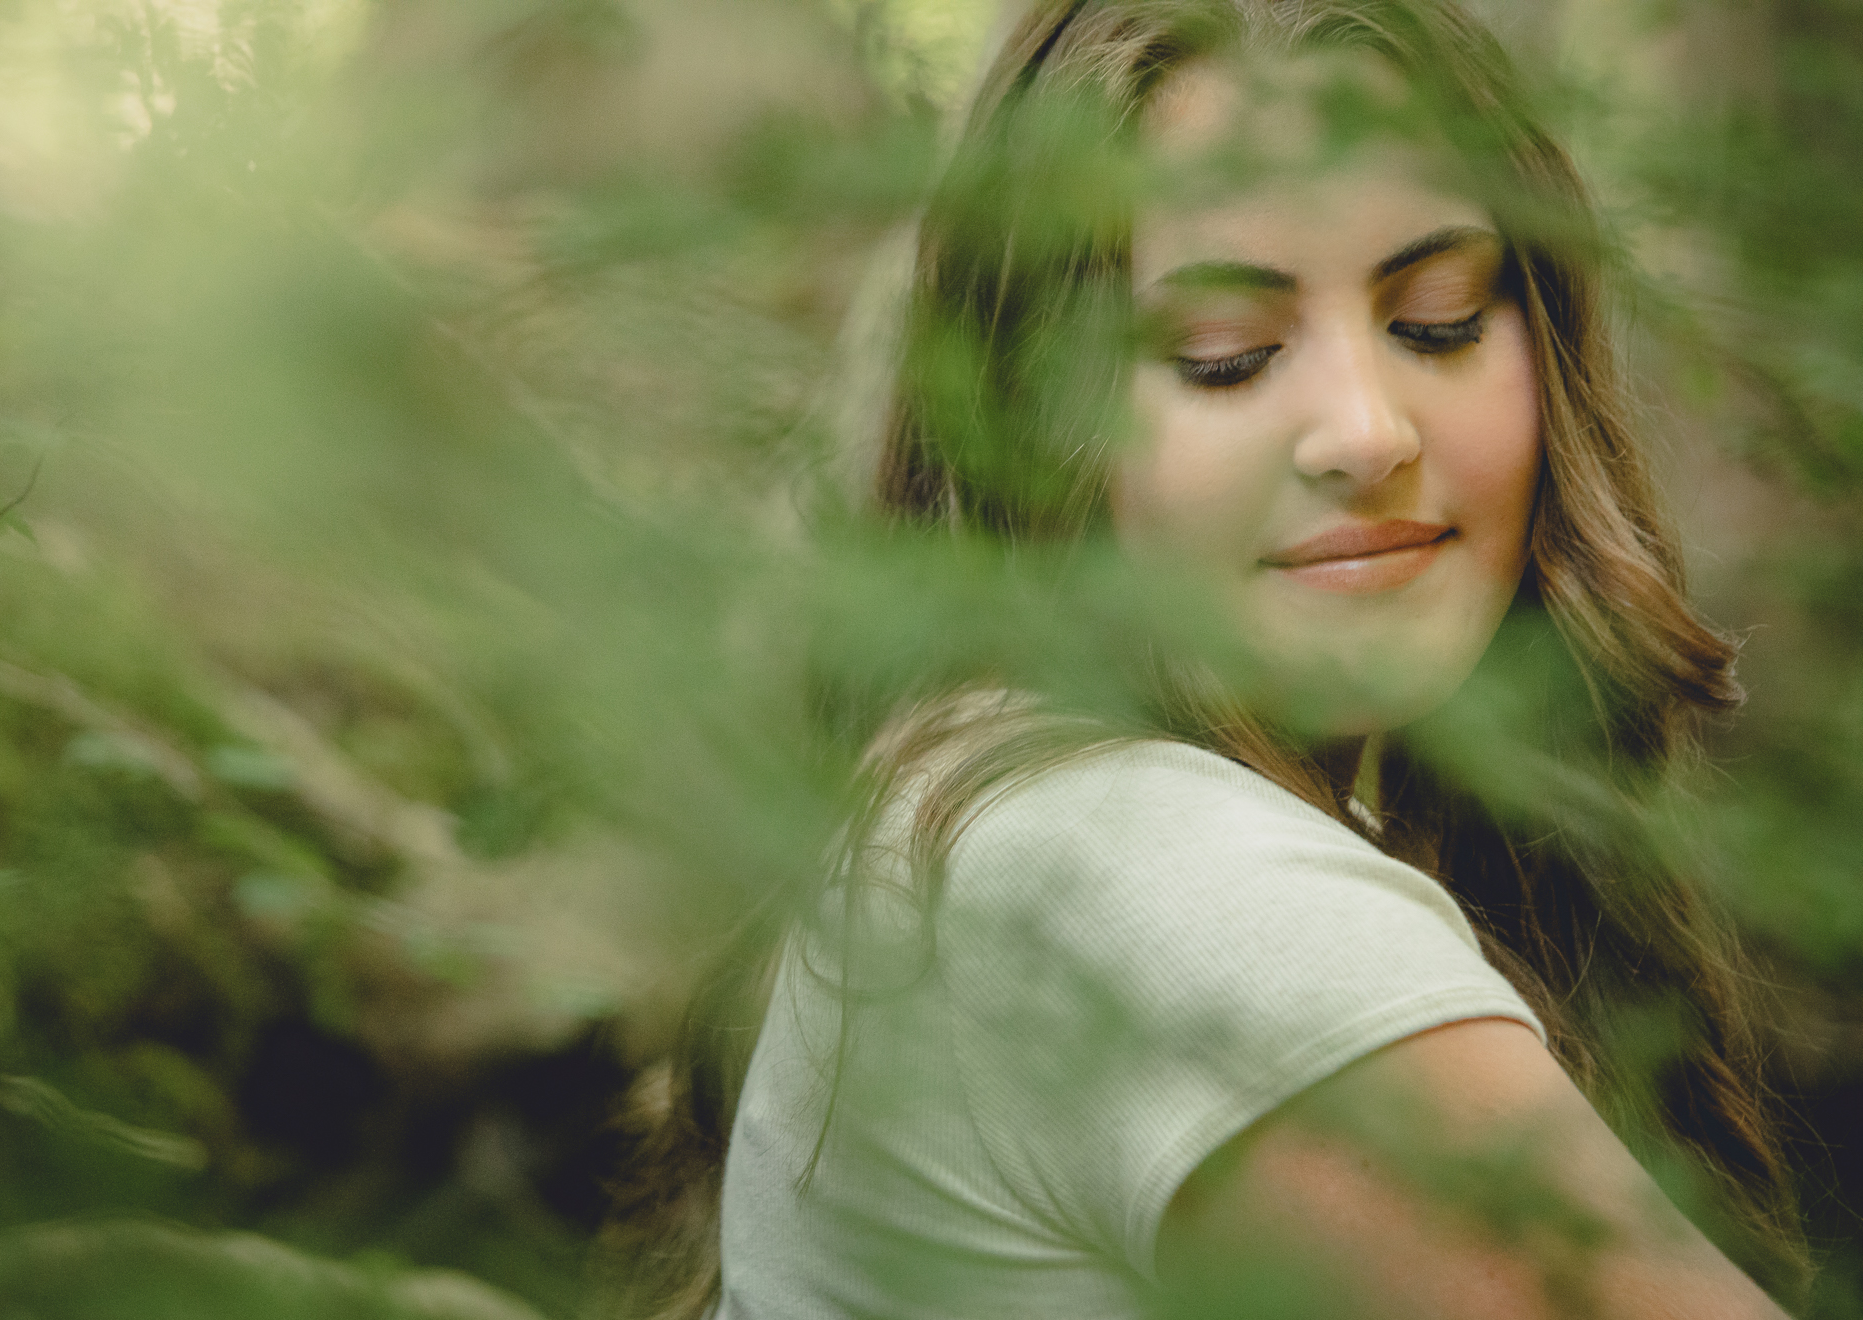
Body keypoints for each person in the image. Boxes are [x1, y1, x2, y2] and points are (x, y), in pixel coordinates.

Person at [603, 2, 1812, 1316]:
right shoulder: (1155, 879)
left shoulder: (986, 803)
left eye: (1440, 319)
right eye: (1224, 357)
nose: (1366, 431)